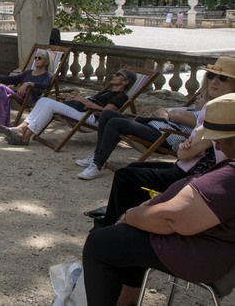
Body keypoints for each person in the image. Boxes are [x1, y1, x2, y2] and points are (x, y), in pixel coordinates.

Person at [82, 93, 235, 306]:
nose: (216, 144)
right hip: (212, 246)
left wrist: (131, 215)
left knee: (100, 243)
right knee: (126, 237)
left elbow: (172, 219)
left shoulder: (229, 176)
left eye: (217, 138)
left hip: (207, 254)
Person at [97, 58, 235, 226]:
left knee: (126, 176)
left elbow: (188, 151)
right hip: (185, 162)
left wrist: (187, 146)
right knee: (132, 169)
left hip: (194, 172)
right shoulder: (211, 106)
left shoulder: (223, 111)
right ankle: (122, 214)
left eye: (222, 78)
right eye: (212, 75)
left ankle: (110, 225)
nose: (214, 81)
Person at [75, 87, 210, 181]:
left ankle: (97, 165)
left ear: (209, 103)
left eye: (202, 97)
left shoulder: (203, 115)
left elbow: (173, 114)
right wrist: (169, 114)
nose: (197, 98)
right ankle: (97, 156)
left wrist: (169, 114)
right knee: (107, 113)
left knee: (116, 123)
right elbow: (161, 110)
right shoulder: (189, 109)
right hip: (151, 126)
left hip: (164, 137)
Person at [0, 68, 137, 145]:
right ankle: (23, 134)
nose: (114, 75)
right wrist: (78, 99)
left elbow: (106, 113)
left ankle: (22, 132)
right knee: (44, 101)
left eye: (119, 75)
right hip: (82, 112)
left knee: (48, 103)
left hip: (90, 118)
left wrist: (84, 101)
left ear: (125, 81)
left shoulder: (121, 97)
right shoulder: (108, 91)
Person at [0, 49, 53, 134]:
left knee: (0, 88)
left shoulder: (47, 76)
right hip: (16, 94)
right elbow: (13, 79)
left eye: (40, 58)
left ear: (46, 62)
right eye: (35, 58)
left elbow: (45, 86)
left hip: (26, 99)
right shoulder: (29, 72)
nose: (36, 60)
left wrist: (29, 84)